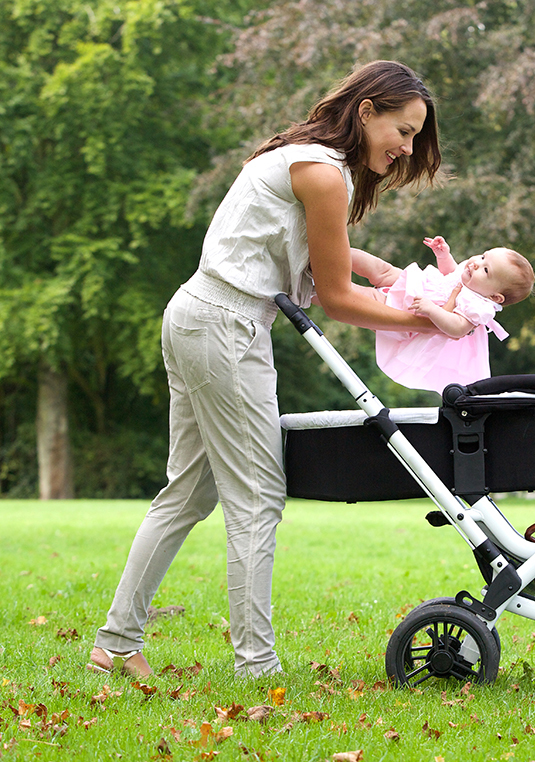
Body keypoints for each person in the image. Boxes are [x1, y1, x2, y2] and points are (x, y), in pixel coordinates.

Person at [88, 60, 443, 679]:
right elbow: (334, 298)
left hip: (198, 313)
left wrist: (380, 271)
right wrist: (429, 322)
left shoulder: (302, 157)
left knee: (189, 492)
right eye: (403, 131)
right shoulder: (325, 174)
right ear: (367, 112)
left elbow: (295, 243)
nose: (406, 148)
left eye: (415, 137)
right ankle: (257, 666)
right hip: (225, 326)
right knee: (256, 498)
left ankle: (115, 645)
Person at [351, 235, 535, 393]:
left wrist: (432, 310)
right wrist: (444, 256)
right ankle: (338, 252)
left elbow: (457, 328)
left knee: (368, 298)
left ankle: (326, 286)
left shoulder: (479, 307)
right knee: (382, 270)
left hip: (409, 314)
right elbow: (450, 273)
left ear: (495, 296)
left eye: (486, 270)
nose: (476, 264)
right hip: (414, 285)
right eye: (483, 256)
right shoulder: (470, 275)